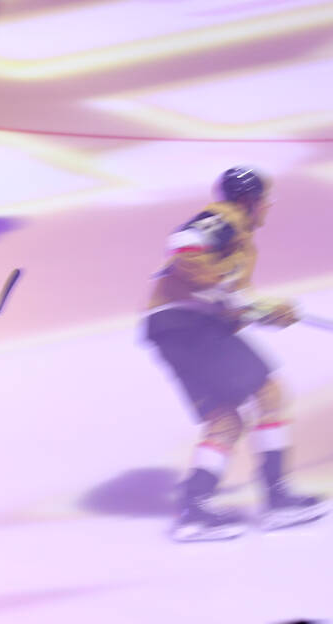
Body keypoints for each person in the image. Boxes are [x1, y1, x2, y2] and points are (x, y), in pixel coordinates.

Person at [145, 166, 328, 541]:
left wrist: (271, 313)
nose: (268, 208)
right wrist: (228, 291)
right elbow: (184, 245)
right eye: (266, 201)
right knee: (270, 394)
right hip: (188, 325)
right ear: (251, 201)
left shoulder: (241, 241)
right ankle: (277, 497)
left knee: (225, 419)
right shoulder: (224, 220)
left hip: (175, 328)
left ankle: (194, 508)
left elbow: (234, 304)